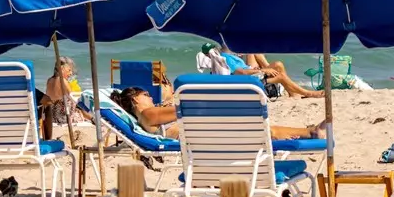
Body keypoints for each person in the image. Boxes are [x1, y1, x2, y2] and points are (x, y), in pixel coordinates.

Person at [109, 85, 324, 142]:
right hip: (205, 138)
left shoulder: (148, 115)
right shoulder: (147, 114)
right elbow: (185, 110)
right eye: (146, 94)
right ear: (136, 99)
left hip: (203, 137)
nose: (150, 97)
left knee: (264, 130)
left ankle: (311, 131)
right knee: (263, 131)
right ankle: (311, 132)